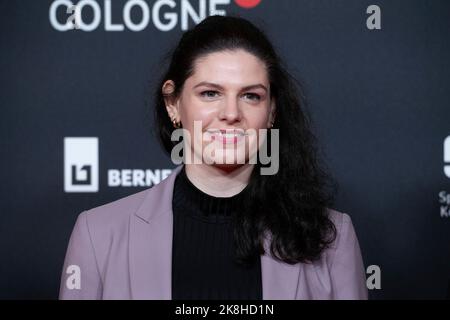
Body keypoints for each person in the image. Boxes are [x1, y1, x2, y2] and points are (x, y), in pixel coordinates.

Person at [59, 15, 368, 300]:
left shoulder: (332, 237)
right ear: (173, 103)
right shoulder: (98, 235)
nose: (231, 114)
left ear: (271, 111)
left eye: (251, 96)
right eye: (210, 93)